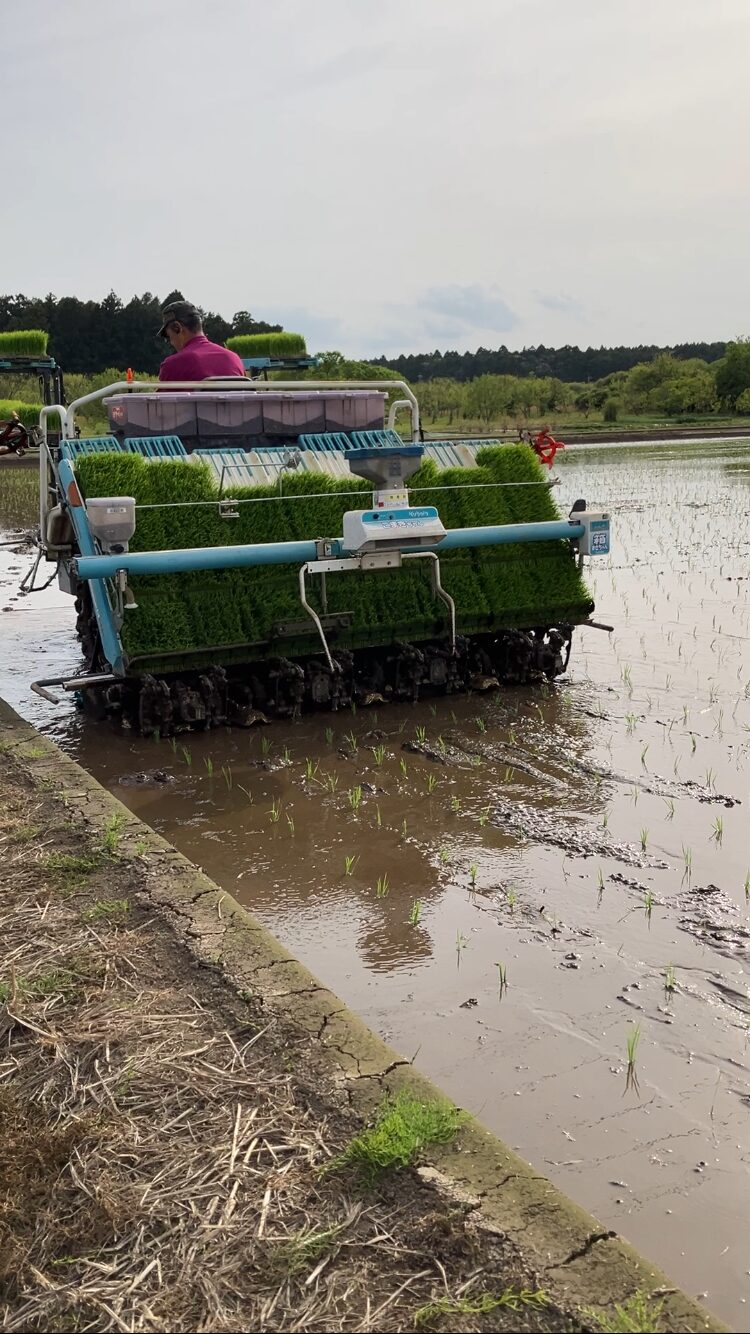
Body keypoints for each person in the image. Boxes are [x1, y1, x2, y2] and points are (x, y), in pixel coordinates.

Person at [157, 301, 246, 382]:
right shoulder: (234, 359)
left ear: (177, 328)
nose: (171, 342)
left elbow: (162, 399)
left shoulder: (173, 365)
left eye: (169, 337)